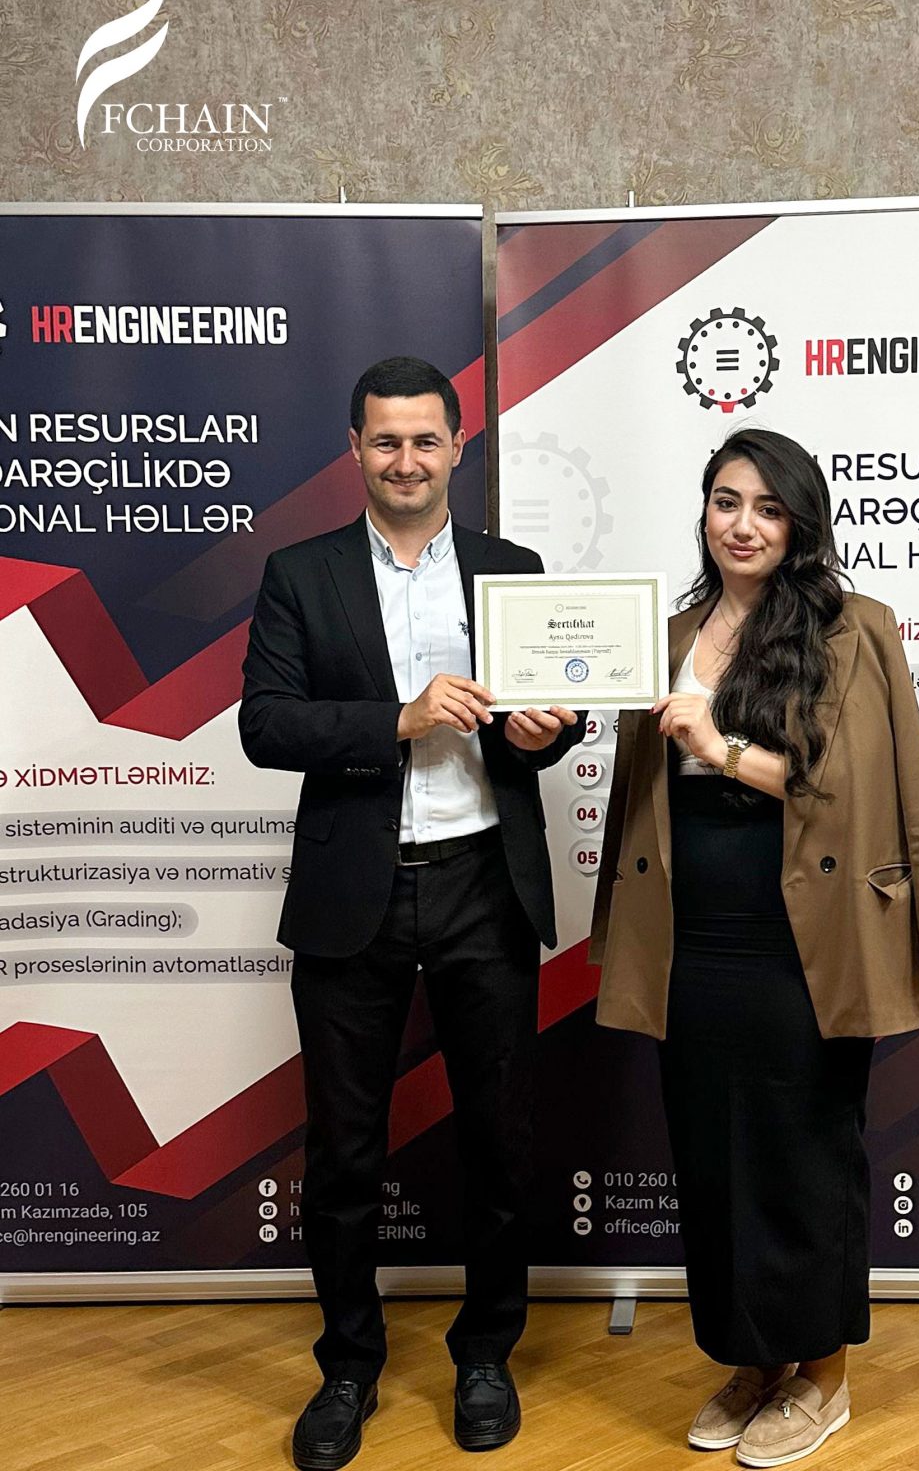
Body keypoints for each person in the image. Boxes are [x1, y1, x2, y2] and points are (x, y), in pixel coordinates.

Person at [589, 427, 919, 1467]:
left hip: (808, 932)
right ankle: (755, 1363)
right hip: (692, 932)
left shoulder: (853, 629)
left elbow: (850, 787)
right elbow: (635, 795)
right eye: (725, 501)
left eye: (766, 507)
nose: (742, 525)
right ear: (703, 513)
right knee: (711, 1156)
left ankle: (823, 1376)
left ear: (799, 523)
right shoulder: (667, 633)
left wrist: (718, 746)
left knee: (805, 1156)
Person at [240, 355, 582, 1470]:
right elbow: (265, 725)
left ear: (457, 447)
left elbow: (555, 714)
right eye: (385, 441)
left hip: (486, 879)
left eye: (425, 440)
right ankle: (348, 1367)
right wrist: (397, 717)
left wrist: (546, 731)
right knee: (344, 1150)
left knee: (499, 1138)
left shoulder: (511, 569)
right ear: (354, 449)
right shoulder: (301, 573)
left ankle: (485, 1355)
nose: (406, 460)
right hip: (356, 890)